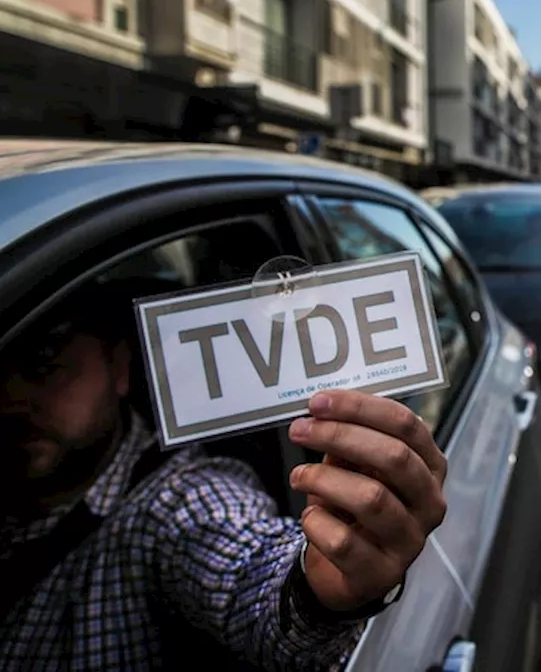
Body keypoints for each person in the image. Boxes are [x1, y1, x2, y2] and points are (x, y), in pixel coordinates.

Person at [0, 279, 449, 670]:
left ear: (119, 366)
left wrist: (311, 592)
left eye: (44, 362)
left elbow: (246, 573)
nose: (10, 398)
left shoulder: (175, 501)